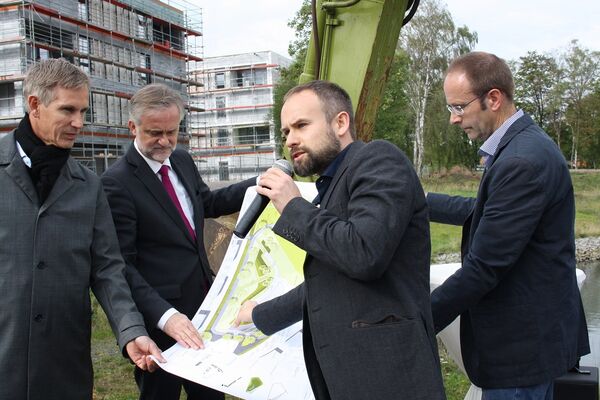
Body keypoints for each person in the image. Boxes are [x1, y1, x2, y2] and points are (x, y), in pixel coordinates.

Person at [234, 80, 446, 400]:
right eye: (285, 133)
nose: (291, 140)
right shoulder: (330, 188)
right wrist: (259, 314)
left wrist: (293, 206)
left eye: (301, 125)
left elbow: (364, 253)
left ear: (341, 122)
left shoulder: (378, 160)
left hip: (389, 379)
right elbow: (327, 283)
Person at [428, 51, 590, 399]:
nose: (454, 119)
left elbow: (484, 267)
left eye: (459, 107)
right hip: (532, 344)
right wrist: (416, 201)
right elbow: (487, 210)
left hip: (520, 352)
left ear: (494, 98)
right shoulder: (524, 147)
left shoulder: (521, 161)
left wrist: (417, 322)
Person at [0, 58, 164, 400]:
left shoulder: (89, 186)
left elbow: (107, 269)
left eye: (83, 111)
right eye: (68, 110)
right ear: (34, 105)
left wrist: (131, 330)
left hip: (64, 365)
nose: (79, 123)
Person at [101, 83, 255, 400]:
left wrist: (258, 184)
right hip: (161, 325)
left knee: (211, 394)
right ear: (133, 127)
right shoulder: (116, 184)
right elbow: (123, 266)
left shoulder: (182, 159)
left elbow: (207, 204)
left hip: (204, 310)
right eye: (155, 133)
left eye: (172, 132)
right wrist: (165, 316)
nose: (165, 141)